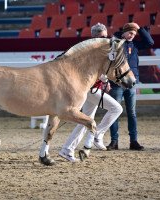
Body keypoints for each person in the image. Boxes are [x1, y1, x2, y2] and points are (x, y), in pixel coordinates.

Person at [59, 23, 123, 162]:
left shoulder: (101, 50)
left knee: (85, 122)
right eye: (102, 37)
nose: (105, 39)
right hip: (87, 89)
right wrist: (102, 79)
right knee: (116, 108)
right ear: (94, 37)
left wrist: (104, 81)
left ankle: (67, 149)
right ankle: (97, 135)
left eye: (106, 36)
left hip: (93, 88)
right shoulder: (87, 51)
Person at [107, 22, 154, 151]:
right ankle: (114, 142)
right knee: (114, 112)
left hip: (131, 83)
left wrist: (140, 29)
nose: (132, 36)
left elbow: (150, 43)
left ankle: (133, 141)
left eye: (134, 34)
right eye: (130, 33)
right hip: (117, 83)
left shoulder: (134, 44)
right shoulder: (114, 43)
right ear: (124, 32)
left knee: (132, 113)